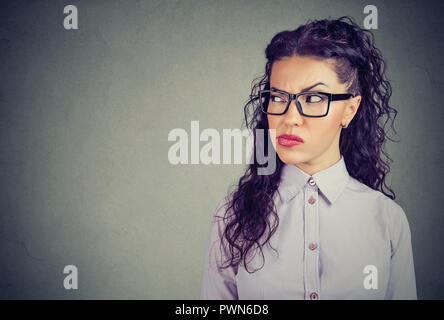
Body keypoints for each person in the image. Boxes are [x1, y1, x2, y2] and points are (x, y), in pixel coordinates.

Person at [199, 16, 417, 300]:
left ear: (350, 109)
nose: (290, 118)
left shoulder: (387, 220)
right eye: (278, 98)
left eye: (313, 99)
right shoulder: (233, 215)